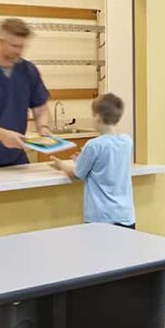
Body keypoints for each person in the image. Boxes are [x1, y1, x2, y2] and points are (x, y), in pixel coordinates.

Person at [0, 18, 51, 169]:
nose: (19, 51)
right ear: (0, 41)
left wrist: (43, 127)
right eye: (14, 46)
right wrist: (2, 135)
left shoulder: (28, 71)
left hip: (16, 157)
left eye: (22, 46)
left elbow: (40, 108)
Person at [51, 94, 135, 228]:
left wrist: (61, 165)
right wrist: (82, 158)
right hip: (125, 215)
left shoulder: (94, 145)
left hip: (101, 217)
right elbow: (107, 162)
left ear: (98, 117)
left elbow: (76, 174)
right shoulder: (126, 141)